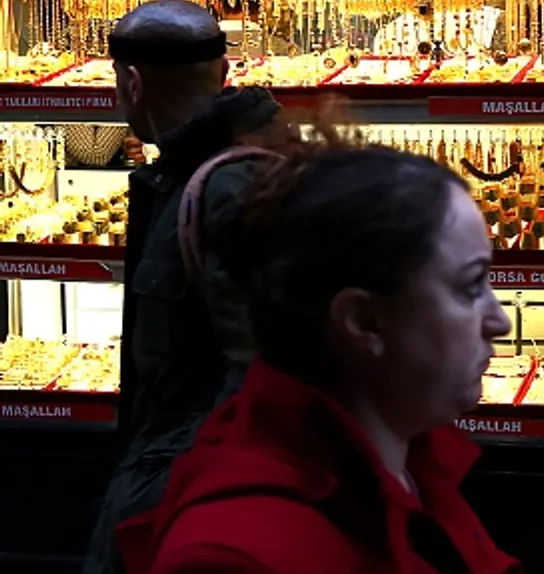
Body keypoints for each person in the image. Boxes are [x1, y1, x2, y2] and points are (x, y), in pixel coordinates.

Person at [115, 135, 519, 573]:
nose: (499, 321)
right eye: (471, 285)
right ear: (363, 321)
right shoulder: (235, 557)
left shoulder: (408, 463)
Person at [83, 0, 288, 574]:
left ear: (132, 83)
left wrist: (185, 491)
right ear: (223, 73)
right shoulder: (203, 175)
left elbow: (261, 377)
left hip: (188, 502)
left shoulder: (227, 187)